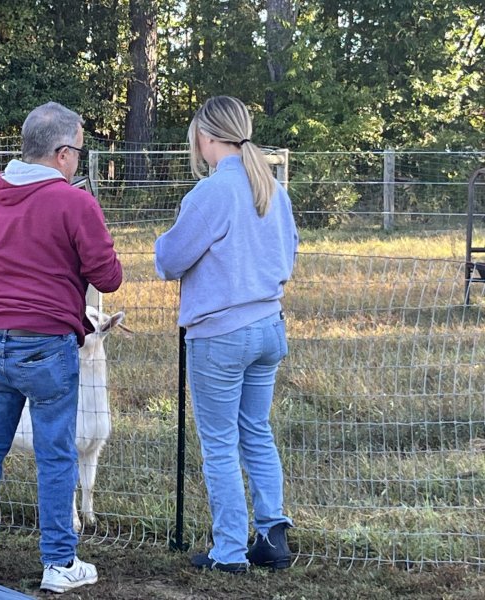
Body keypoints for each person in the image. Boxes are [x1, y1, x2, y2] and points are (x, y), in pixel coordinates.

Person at [0, 102, 122, 593]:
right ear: (63, 152)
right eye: (78, 153)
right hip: (45, 342)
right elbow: (107, 275)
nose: (77, 163)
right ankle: (59, 562)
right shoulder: (73, 202)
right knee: (55, 452)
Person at [155, 96, 299, 573]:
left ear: (205, 136)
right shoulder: (274, 189)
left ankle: (230, 550)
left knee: (218, 442)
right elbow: (289, 257)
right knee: (256, 431)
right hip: (269, 325)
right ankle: (273, 535)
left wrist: (164, 243)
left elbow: (169, 261)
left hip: (221, 334)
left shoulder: (211, 193)